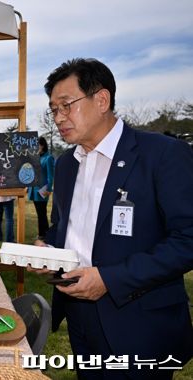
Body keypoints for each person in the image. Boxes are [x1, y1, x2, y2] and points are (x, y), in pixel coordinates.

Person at [30, 58, 193, 379]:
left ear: (101, 100)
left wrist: (110, 279)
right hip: (78, 310)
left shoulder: (161, 154)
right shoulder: (67, 164)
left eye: (66, 106)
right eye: (53, 109)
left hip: (138, 318)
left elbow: (188, 239)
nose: (58, 118)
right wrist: (46, 245)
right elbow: (65, 225)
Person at [27, 136, 54, 239]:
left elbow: (50, 175)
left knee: (42, 213)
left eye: (36, 145)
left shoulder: (48, 158)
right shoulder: (35, 157)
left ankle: (44, 234)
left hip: (42, 190)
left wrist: (48, 189)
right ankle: (43, 234)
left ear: (42, 145)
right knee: (39, 213)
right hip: (33, 189)